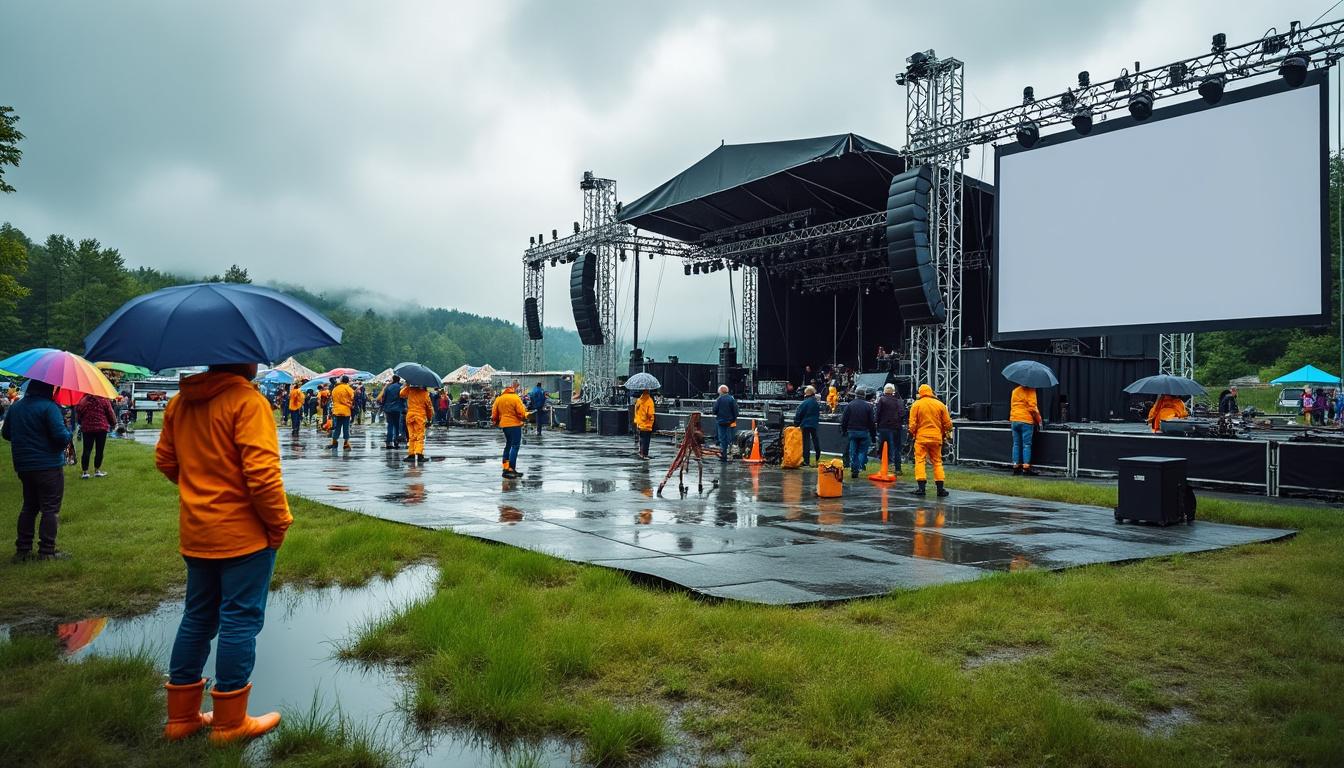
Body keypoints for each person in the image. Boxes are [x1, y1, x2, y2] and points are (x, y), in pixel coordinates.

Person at [156, 362, 290, 743]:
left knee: (197, 617)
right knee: (239, 620)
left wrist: (200, 490)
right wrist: (278, 523)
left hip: (197, 533)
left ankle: (180, 719)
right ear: (244, 359)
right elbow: (262, 476)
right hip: (244, 536)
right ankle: (231, 723)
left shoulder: (180, 402)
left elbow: (165, 460)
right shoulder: (247, 402)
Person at [3, 380, 72, 562]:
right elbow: (61, 438)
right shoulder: (49, 407)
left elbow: (6, 434)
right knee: (50, 508)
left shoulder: (16, 407)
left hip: (24, 465)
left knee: (29, 506)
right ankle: (47, 551)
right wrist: (68, 430)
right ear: (49, 388)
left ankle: (23, 550)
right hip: (48, 465)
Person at [908, 384, 953, 497]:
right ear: (931, 392)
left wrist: (912, 434)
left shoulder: (916, 405)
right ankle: (940, 489)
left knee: (920, 461)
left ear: (920, 393)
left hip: (921, 439)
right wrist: (947, 434)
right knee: (937, 462)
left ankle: (921, 488)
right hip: (936, 438)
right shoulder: (940, 405)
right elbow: (948, 424)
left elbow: (912, 424)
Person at [491, 380, 529, 478]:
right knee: (515, 446)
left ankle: (505, 467)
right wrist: (525, 417)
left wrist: (496, 422)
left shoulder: (499, 399)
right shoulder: (515, 398)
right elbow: (521, 413)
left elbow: (494, 414)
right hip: (515, 425)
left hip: (504, 426)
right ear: (512, 388)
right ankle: (511, 469)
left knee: (508, 445)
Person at [75, 393, 117, 479]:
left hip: (87, 428)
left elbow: (79, 413)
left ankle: (85, 472)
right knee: (99, 450)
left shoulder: (84, 400)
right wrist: (113, 423)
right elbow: (110, 413)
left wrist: (81, 422)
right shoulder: (104, 400)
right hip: (101, 428)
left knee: (86, 450)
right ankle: (97, 470)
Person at [839, 389, 877, 479]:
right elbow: (871, 423)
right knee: (862, 452)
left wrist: (844, 430)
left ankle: (854, 468)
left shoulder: (850, 405)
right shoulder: (868, 407)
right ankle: (858, 467)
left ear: (855, 395)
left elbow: (844, 420)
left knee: (853, 451)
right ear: (864, 396)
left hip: (852, 432)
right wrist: (873, 435)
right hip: (864, 432)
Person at [1009, 384, 1043, 476]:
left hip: (1015, 420)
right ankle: (1026, 468)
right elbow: (1033, 408)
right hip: (1026, 421)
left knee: (1016, 444)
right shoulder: (1031, 390)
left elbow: (1012, 406)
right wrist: (1039, 420)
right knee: (1026, 445)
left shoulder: (1015, 391)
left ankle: (1015, 467)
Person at [874, 383, 906, 476]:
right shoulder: (898, 400)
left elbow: (877, 413)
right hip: (896, 427)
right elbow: (902, 413)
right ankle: (897, 468)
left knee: (884, 448)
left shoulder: (881, 400)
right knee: (897, 448)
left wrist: (876, 422)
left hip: (883, 427)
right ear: (893, 391)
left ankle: (886, 466)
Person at [400, 381, 433, 463]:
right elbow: (429, 407)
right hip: (420, 417)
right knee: (420, 436)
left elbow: (401, 394)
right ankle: (419, 454)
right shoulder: (425, 394)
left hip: (410, 416)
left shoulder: (410, 390)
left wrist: (407, 385)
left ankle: (411, 454)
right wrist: (429, 418)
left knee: (411, 436)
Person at [793, 385, 821, 466]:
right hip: (814, 424)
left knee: (806, 442)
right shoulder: (816, 403)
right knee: (816, 440)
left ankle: (806, 460)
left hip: (805, 424)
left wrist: (796, 423)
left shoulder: (805, 403)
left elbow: (799, 413)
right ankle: (818, 455)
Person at [711, 384, 738, 464]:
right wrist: (733, 419)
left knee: (722, 439)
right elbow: (736, 411)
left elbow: (714, 410)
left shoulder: (719, 400)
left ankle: (724, 456)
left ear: (721, 391)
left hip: (721, 422)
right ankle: (731, 454)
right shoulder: (731, 399)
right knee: (730, 438)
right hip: (730, 422)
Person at [328, 376, 354, 450]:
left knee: (337, 427)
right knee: (346, 427)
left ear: (341, 380)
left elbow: (332, 398)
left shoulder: (335, 389)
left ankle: (334, 442)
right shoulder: (348, 388)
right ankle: (346, 443)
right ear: (347, 381)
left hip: (337, 411)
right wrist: (350, 403)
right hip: (346, 411)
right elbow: (353, 397)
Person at [379, 375, 405, 449]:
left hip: (388, 409)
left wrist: (383, 407)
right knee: (397, 425)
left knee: (390, 425)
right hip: (397, 409)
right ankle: (396, 441)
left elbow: (384, 398)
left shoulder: (388, 387)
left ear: (393, 380)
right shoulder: (401, 388)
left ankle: (389, 442)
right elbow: (403, 398)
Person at [634, 388, 655, 460]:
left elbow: (636, 411)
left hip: (640, 423)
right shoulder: (649, 401)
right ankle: (645, 455)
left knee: (642, 439)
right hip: (647, 424)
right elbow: (650, 413)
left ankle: (641, 453)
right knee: (646, 440)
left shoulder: (639, 400)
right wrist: (652, 418)